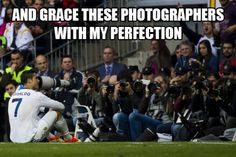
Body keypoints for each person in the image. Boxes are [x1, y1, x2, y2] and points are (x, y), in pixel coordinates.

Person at [8, 70, 78, 143]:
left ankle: (53, 138)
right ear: (29, 81)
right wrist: (51, 110)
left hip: (14, 139)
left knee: (35, 117)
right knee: (56, 112)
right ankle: (68, 137)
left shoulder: (13, 96)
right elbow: (61, 107)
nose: (38, 81)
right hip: (30, 138)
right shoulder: (36, 95)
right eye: (35, 78)